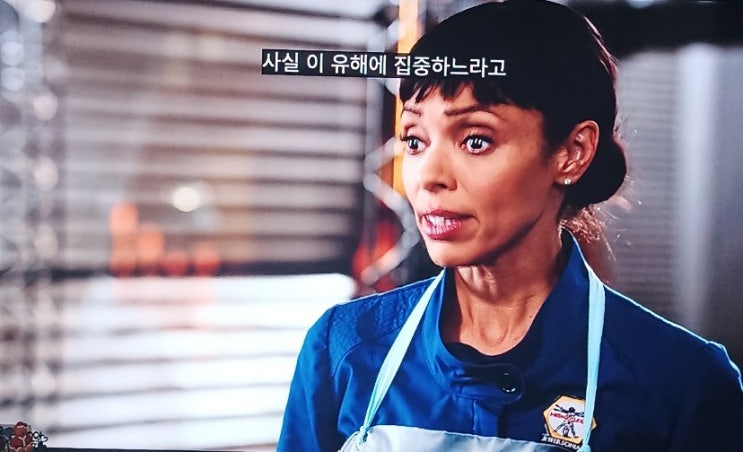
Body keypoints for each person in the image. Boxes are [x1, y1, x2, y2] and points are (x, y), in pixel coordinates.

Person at [277, 1, 743, 451]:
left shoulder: (684, 383)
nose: (428, 177)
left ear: (573, 153)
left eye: (476, 140)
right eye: (415, 140)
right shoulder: (343, 350)